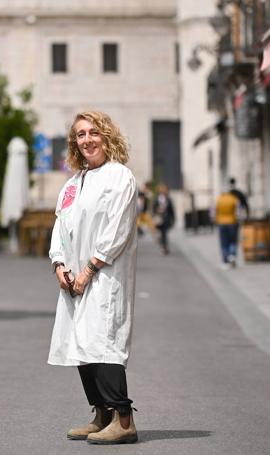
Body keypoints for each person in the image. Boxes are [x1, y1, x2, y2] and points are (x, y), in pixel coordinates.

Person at [48, 111, 138, 445]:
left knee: (104, 342)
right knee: (81, 344)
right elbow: (60, 225)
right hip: (73, 279)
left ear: (107, 136)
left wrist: (90, 269)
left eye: (93, 133)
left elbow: (118, 230)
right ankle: (101, 415)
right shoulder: (73, 183)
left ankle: (124, 419)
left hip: (104, 275)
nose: (87, 140)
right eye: (81, 135)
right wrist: (59, 264)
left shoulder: (120, 177)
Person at [215, 179, 240, 268]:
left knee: (224, 243)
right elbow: (238, 212)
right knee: (233, 240)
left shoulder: (219, 200)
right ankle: (232, 255)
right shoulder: (234, 199)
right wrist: (237, 220)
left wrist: (216, 220)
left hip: (221, 223)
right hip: (232, 222)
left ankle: (225, 261)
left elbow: (214, 211)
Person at [153, 183, 175, 255]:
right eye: (161, 189)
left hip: (166, 219)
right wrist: (157, 211)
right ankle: (163, 245)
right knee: (162, 233)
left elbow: (171, 210)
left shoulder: (168, 199)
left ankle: (164, 247)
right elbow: (153, 209)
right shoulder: (156, 199)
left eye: (164, 189)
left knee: (164, 233)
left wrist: (173, 219)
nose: (163, 190)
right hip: (159, 219)